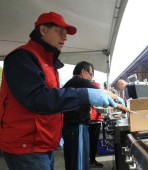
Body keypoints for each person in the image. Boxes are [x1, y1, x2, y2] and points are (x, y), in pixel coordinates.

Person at [0, 12, 118, 170]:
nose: (65, 37)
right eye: (60, 31)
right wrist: (86, 94)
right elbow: (38, 98)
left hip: (43, 143)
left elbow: (54, 100)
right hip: (26, 145)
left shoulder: (48, 63)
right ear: (43, 30)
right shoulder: (23, 57)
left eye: (66, 33)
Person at [89, 82, 103, 168]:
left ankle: (92, 160)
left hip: (97, 120)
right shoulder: (91, 96)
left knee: (94, 142)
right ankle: (91, 160)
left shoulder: (97, 96)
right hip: (92, 121)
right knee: (91, 142)